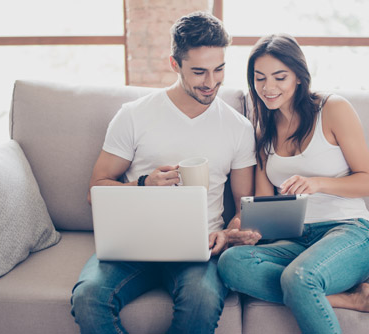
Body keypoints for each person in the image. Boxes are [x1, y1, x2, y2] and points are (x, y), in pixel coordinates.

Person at [70, 12, 261, 334]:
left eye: (219, 69)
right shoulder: (134, 115)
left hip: (199, 246)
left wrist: (228, 233)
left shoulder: (238, 128)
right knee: (88, 297)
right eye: (199, 72)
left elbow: (246, 206)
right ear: (174, 64)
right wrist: (144, 184)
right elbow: (96, 190)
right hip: (133, 243)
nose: (211, 82)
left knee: (202, 300)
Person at [217, 34, 369, 334]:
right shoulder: (263, 131)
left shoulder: (332, 109)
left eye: (279, 77)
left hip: (349, 231)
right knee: (231, 263)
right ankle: (351, 300)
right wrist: (246, 230)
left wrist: (318, 183)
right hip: (296, 240)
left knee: (299, 277)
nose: (269, 88)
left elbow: (368, 182)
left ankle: (310, 289)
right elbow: (264, 205)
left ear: (298, 76)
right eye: (260, 78)